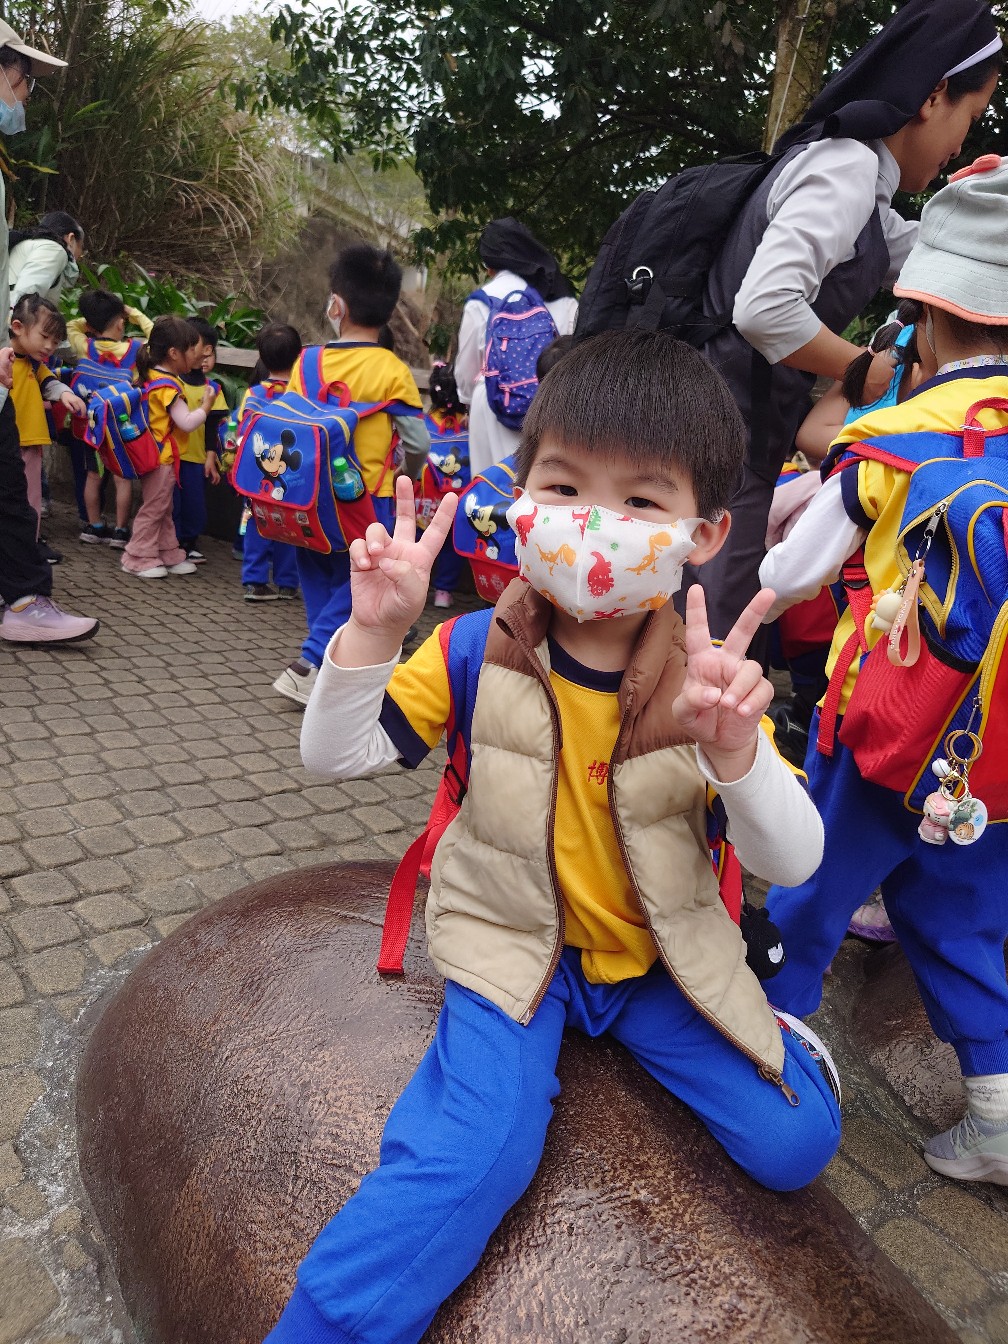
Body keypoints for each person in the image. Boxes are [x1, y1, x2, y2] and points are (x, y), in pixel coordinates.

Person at [265, 330, 841, 1344]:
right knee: (476, 1153)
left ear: (705, 533)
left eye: (642, 502)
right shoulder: (474, 647)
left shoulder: (707, 685)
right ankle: (324, 1327)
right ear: (520, 493)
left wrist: (737, 753)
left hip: (654, 965)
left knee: (796, 1143)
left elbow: (794, 861)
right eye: (566, 488)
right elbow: (336, 754)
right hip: (512, 946)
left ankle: (785, 1036)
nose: (595, 526)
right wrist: (373, 633)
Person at [760, 156, 1008, 1186]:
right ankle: (997, 1120)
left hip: (886, 731)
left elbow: (788, 574)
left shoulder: (894, 437)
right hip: (994, 761)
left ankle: (758, 1058)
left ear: (925, 318)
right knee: (961, 922)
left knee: (809, 895)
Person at [686, 0, 1001, 648]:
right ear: (934, 96)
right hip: (718, 433)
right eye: (970, 119)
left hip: (740, 434)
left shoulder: (865, 186)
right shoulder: (845, 167)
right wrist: (864, 367)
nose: (960, 145)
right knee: (708, 635)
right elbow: (763, 308)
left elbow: (937, 263)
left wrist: (982, 208)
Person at [272, 245, 429, 706]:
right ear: (389, 309)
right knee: (363, 579)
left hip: (304, 494)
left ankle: (325, 665)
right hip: (366, 496)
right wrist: (405, 473)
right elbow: (418, 443)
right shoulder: (393, 370)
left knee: (320, 578)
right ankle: (310, 663)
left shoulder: (307, 362)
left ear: (336, 305)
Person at [0, 26, 98, 645]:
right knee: (11, 487)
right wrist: (14, 341)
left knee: (11, 487)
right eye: (23, 81)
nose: (25, 97)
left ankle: (23, 596)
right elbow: (22, 298)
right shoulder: (53, 253)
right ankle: (25, 599)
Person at [455, 217, 578, 476]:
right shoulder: (560, 297)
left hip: (492, 404)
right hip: (548, 407)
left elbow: (466, 373)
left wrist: (466, 401)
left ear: (489, 265)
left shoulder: (480, 302)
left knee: (490, 485)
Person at [121, 316, 214, 580]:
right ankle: (137, 556)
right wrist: (206, 407)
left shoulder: (151, 375)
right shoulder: (168, 386)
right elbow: (186, 423)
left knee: (164, 507)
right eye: (192, 349)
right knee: (155, 508)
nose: (199, 354)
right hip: (160, 457)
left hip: (154, 454)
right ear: (174, 353)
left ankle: (167, 551)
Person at [68, 288, 153, 547]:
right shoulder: (134, 349)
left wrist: (93, 320)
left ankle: (93, 527)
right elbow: (157, 336)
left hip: (92, 425)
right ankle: (120, 530)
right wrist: (133, 313)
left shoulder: (85, 346)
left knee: (93, 476)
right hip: (120, 425)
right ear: (120, 323)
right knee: (122, 477)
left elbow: (71, 325)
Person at [8, 293, 85, 550]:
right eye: (44, 337)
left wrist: (66, 394)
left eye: (55, 341)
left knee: (31, 501)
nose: (50, 347)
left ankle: (28, 549)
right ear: (18, 327)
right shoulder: (5, 358)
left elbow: (49, 382)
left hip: (31, 442)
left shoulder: (35, 364)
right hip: (7, 443)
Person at [239, 322, 302, 602]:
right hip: (294, 474)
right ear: (298, 356)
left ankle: (255, 582)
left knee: (256, 522)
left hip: (257, 474)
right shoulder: (302, 395)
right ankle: (287, 583)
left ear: (262, 357)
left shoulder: (253, 394)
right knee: (291, 525)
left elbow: (243, 431)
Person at [170, 315, 228, 564]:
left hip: (196, 458)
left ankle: (189, 543)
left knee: (194, 504)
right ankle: (171, 543)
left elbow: (213, 425)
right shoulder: (171, 381)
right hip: (170, 456)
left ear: (207, 350)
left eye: (192, 343)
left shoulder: (212, 388)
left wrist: (211, 456)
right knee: (171, 503)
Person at [422, 361, 468, 610]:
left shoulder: (422, 423)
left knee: (418, 540)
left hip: (423, 499)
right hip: (457, 499)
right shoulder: (471, 427)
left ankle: (415, 583)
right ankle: (443, 591)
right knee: (451, 544)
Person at [7, 209, 84, 312]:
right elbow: (26, 297)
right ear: (71, 239)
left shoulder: (30, 245)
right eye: (81, 246)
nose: (80, 255)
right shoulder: (54, 250)